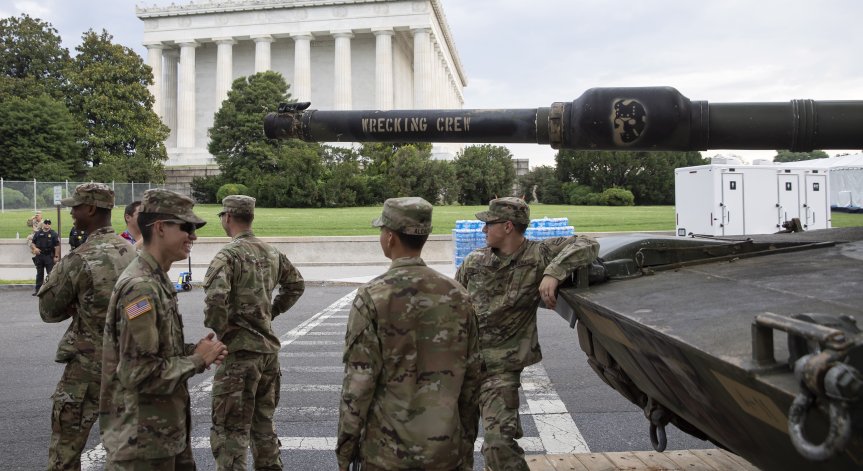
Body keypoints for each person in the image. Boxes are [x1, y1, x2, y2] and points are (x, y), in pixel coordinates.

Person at [336, 197, 482, 471]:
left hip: (386, 455)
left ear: (390, 238)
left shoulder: (372, 297)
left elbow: (358, 385)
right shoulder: (458, 295)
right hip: (445, 451)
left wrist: (346, 451)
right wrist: (464, 445)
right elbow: (472, 379)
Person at [455, 197, 600, 471]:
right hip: (463, 365)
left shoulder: (538, 255)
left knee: (498, 444)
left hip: (500, 368)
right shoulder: (474, 261)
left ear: (508, 226)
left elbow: (588, 243)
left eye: (489, 224)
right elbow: (452, 305)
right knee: (455, 444)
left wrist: (554, 272)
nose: (484, 230)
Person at [100, 188, 228, 469]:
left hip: (160, 437)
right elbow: (140, 374)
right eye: (186, 227)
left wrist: (194, 350)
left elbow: (154, 353)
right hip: (142, 446)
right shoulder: (141, 287)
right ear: (159, 228)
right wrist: (197, 360)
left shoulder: (155, 279)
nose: (193, 235)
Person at [37, 183, 136, 470]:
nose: (72, 212)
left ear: (91, 209)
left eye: (76, 206)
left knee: (65, 453)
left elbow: (48, 310)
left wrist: (77, 303)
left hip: (86, 371)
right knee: (124, 453)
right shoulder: (132, 253)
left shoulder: (80, 258)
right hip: (127, 366)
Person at [203, 195, 305, 470]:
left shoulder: (228, 255)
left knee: (230, 432)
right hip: (268, 353)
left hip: (239, 354)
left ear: (227, 217)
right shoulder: (271, 252)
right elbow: (295, 285)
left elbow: (215, 300)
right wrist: (271, 312)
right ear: (251, 217)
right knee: (264, 426)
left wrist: (222, 328)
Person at [31, 218, 61, 295]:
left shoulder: (54, 234)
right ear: (43, 224)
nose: (47, 224)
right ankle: (38, 290)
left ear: (50, 224)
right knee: (39, 274)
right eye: (46, 223)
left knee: (50, 274)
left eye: (48, 223)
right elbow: (33, 243)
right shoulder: (38, 233)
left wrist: (56, 256)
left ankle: (51, 291)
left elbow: (57, 246)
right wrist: (35, 249)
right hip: (39, 255)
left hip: (49, 256)